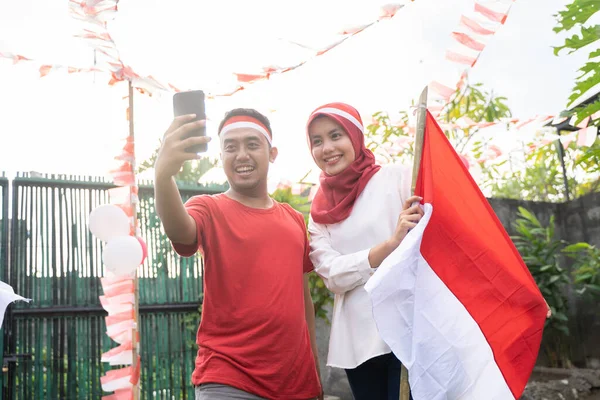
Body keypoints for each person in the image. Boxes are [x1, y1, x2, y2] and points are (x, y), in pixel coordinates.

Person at [154, 108, 323, 400]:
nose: (241, 154)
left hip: (298, 385)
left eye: (252, 144)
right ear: (221, 158)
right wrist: (163, 176)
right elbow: (180, 231)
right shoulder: (209, 208)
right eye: (230, 147)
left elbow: (303, 300)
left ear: (272, 153)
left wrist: (315, 373)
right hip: (228, 381)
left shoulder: (294, 219)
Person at [305, 102, 422, 400]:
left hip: (409, 327)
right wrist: (388, 247)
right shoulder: (319, 211)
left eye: (335, 135)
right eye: (316, 141)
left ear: (356, 137)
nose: (327, 147)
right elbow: (332, 275)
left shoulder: (398, 179)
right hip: (357, 340)